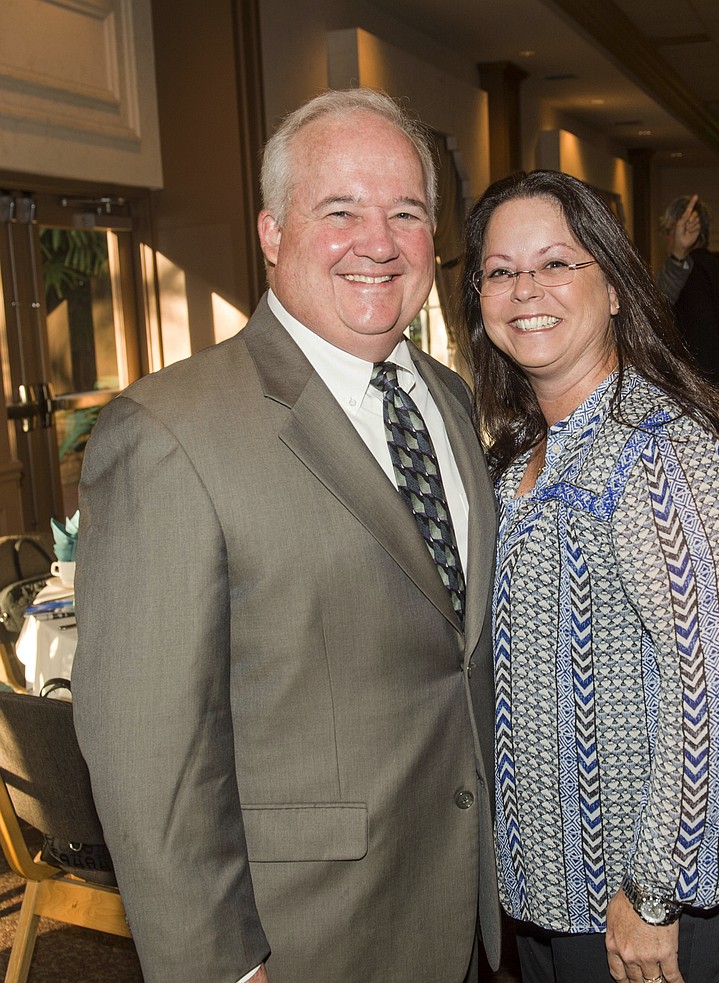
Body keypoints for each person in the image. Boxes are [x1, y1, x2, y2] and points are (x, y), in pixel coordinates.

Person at [72, 88, 501, 983]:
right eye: (338, 210)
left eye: (406, 212)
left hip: (458, 904)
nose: (377, 242)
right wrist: (217, 966)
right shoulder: (168, 432)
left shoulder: (448, 397)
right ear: (271, 233)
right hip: (304, 938)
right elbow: (153, 756)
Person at [457, 170, 719, 983]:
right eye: (500, 269)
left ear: (618, 287)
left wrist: (653, 892)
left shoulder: (660, 455)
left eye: (558, 262)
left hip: (630, 898)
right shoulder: (524, 453)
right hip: (549, 882)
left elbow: (718, 696)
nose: (526, 289)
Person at [657, 194, 719, 445]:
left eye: (668, 232)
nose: (666, 240)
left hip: (701, 416)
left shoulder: (688, 280)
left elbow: (656, 325)